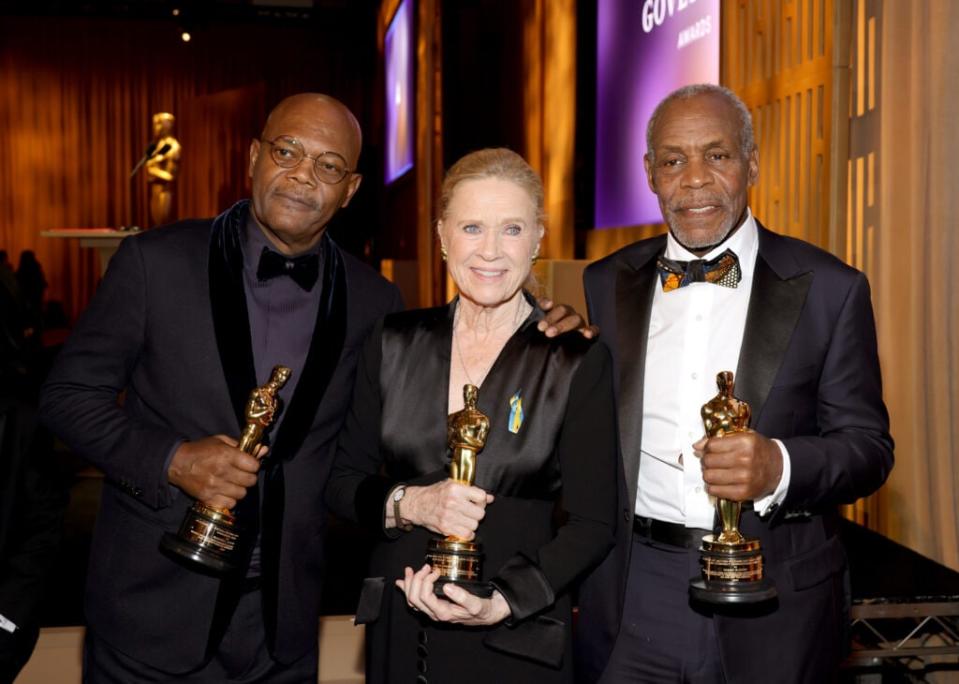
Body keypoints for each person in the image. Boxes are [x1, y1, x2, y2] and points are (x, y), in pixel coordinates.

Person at [40, 94, 589, 682]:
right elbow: (66, 398)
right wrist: (173, 460)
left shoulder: (374, 302)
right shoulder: (157, 261)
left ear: (349, 190)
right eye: (287, 151)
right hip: (153, 607)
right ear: (254, 156)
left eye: (329, 165)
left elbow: (369, 454)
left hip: (285, 627)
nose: (304, 173)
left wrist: (544, 327)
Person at [576, 84, 894, 683]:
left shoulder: (829, 287)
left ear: (751, 163)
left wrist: (780, 467)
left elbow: (869, 450)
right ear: (649, 174)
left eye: (716, 155)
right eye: (673, 160)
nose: (694, 180)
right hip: (630, 595)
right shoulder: (605, 283)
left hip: (779, 605)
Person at [325, 148, 619, 683]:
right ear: (442, 235)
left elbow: (595, 524)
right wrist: (409, 502)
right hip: (400, 624)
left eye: (511, 229)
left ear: (537, 239)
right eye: (471, 227)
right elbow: (343, 483)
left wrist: (504, 601)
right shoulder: (392, 342)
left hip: (515, 637)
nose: (490, 251)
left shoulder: (574, 358)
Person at [145, 112, 181, 227]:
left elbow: (170, 176)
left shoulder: (173, 146)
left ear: (168, 125)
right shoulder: (158, 145)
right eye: (155, 124)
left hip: (165, 191)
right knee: (155, 227)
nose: (156, 128)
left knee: (163, 226)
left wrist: (152, 170)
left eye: (159, 124)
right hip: (155, 189)